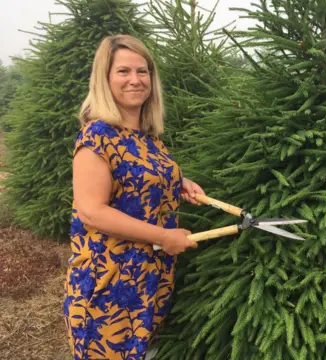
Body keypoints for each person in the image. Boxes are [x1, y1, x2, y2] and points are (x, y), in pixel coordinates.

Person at [63, 34, 206, 359]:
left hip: (150, 281)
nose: (135, 80)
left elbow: (135, 173)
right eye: (123, 71)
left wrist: (177, 180)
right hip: (108, 286)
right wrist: (163, 236)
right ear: (105, 78)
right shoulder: (97, 136)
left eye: (143, 72)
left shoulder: (148, 138)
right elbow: (92, 212)